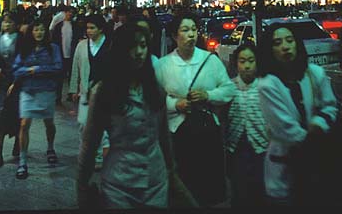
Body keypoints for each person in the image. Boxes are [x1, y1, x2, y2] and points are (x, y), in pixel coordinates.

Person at [77, 21, 194, 209]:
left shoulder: (154, 88)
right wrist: (81, 187)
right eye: (132, 46)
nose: (139, 52)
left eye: (143, 45)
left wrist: (172, 174)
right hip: (119, 186)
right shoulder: (104, 91)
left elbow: (163, 138)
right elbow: (90, 144)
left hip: (155, 182)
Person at [155, 11, 236, 206]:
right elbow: (155, 99)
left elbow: (228, 89)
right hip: (177, 134)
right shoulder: (164, 65)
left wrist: (209, 95)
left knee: (208, 189)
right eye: (185, 30)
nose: (191, 34)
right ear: (174, 36)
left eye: (194, 30)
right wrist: (176, 104)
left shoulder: (210, 60)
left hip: (207, 134)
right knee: (183, 187)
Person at [257, 22, 338, 206]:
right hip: (285, 168)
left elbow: (330, 106)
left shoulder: (315, 73)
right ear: (269, 50)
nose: (285, 46)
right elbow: (285, 128)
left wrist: (319, 123)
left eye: (289, 40)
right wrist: (313, 139)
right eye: (277, 43)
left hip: (318, 168)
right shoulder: (267, 85)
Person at [12, 20, 63, 179]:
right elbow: (16, 69)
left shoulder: (53, 48)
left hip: (46, 90)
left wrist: (39, 69)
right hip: (28, 91)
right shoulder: (25, 49)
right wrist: (29, 70)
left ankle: (50, 148)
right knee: (24, 124)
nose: (38, 33)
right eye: (36, 30)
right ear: (31, 32)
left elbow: (58, 67)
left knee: (49, 122)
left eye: (41, 30)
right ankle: (23, 161)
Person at [225, 41, 269, 207]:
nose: (247, 65)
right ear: (236, 64)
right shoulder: (229, 87)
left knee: (261, 192)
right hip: (236, 149)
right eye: (242, 61)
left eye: (251, 60)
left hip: (261, 149)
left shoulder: (264, 87)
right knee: (240, 194)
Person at [69, 14, 111, 170]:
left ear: (100, 28)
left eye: (92, 28)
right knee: (83, 124)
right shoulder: (81, 46)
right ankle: (86, 152)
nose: (89, 31)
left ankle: (100, 155)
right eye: (87, 28)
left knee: (104, 127)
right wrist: (74, 88)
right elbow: (75, 68)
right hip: (85, 92)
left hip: (105, 92)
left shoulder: (110, 45)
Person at [0, 11, 24, 168]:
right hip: (2, 83)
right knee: (0, 114)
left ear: (16, 24)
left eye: (10, 22)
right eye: (5, 21)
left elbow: (25, 59)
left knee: (18, 115)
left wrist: (17, 78)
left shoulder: (22, 41)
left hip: (18, 83)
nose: (6, 24)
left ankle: (18, 142)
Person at [51, 5, 81, 104]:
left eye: (72, 12)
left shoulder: (76, 26)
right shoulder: (59, 26)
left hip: (72, 54)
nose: (70, 14)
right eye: (68, 12)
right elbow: (55, 41)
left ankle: (71, 95)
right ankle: (58, 97)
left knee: (72, 76)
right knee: (60, 77)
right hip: (61, 54)